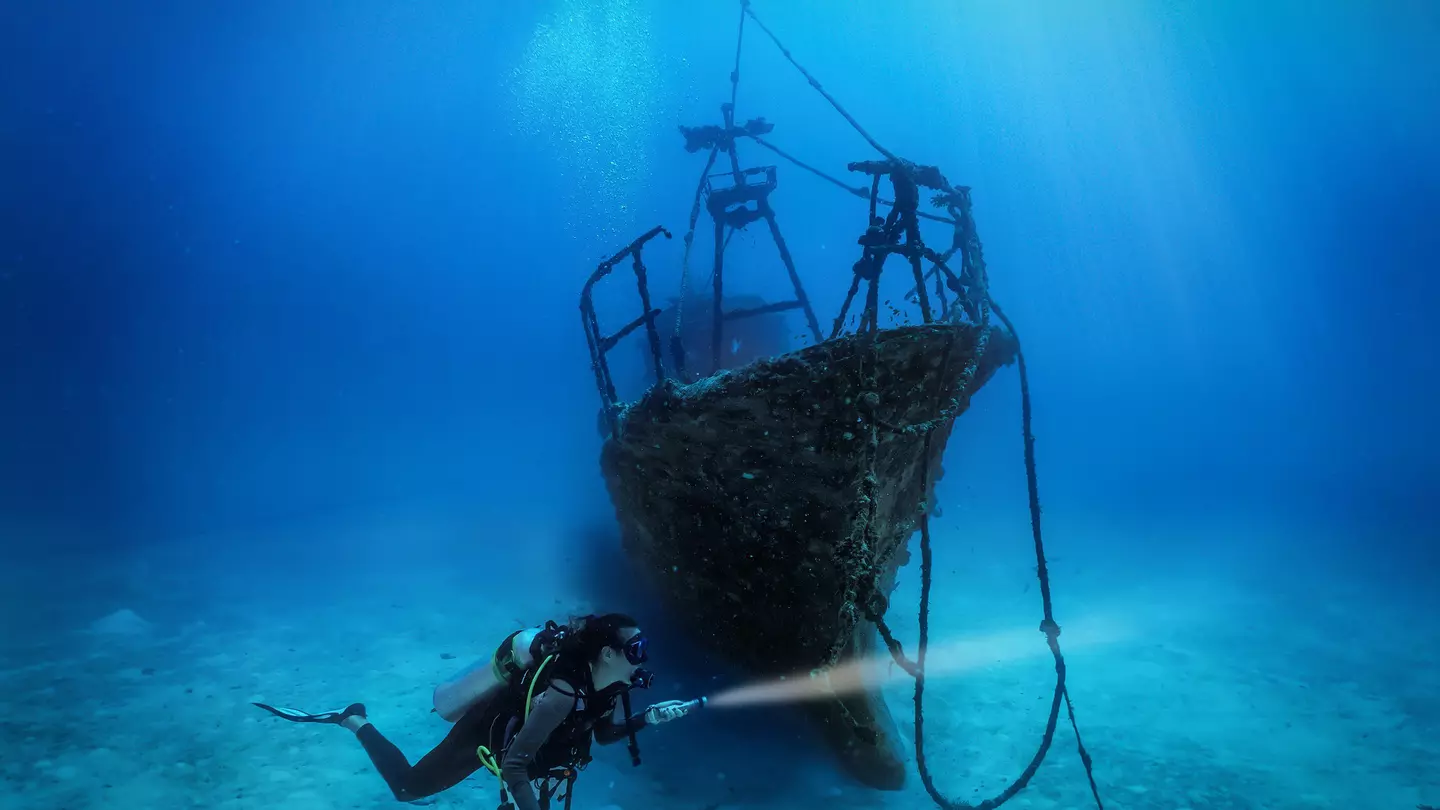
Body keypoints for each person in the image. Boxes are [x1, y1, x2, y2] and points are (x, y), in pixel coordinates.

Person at [254, 613, 697, 810]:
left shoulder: (611, 686)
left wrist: (648, 718)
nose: (644, 656)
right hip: (485, 738)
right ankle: (353, 718)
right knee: (409, 789)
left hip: (534, 756)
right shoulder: (563, 693)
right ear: (605, 653)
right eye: (636, 648)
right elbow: (515, 768)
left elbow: (601, 736)